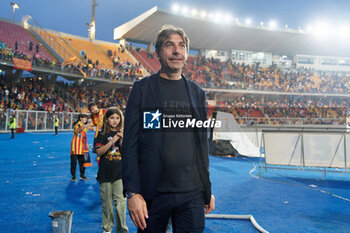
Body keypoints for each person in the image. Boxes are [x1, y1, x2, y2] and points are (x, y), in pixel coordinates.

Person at [122, 25, 215, 233]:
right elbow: (130, 145)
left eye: (182, 46)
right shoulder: (142, 89)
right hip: (153, 195)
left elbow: (201, 147)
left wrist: (207, 188)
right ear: (158, 52)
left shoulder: (197, 93)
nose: (177, 51)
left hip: (191, 194)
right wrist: (132, 192)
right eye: (169, 45)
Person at [94, 107, 128, 233]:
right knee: (107, 205)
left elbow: (127, 153)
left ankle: (122, 230)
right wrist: (113, 140)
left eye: (117, 118)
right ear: (107, 119)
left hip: (120, 174)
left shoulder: (125, 133)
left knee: (120, 204)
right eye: (112, 118)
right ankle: (107, 229)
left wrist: (122, 140)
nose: (115, 120)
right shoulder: (101, 134)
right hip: (105, 174)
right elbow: (99, 151)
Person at [70, 113, 89, 181]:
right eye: (84, 118)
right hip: (75, 147)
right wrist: (84, 127)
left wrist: (87, 144)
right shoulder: (77, 125)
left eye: (86, 118)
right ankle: (73, 176)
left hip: (82, 147)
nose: (85, 119)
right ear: (80, 118)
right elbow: (78, 131)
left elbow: (84, 136)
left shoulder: (84, 126)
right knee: (74, 163)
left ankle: (82, 175)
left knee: (83, 162)